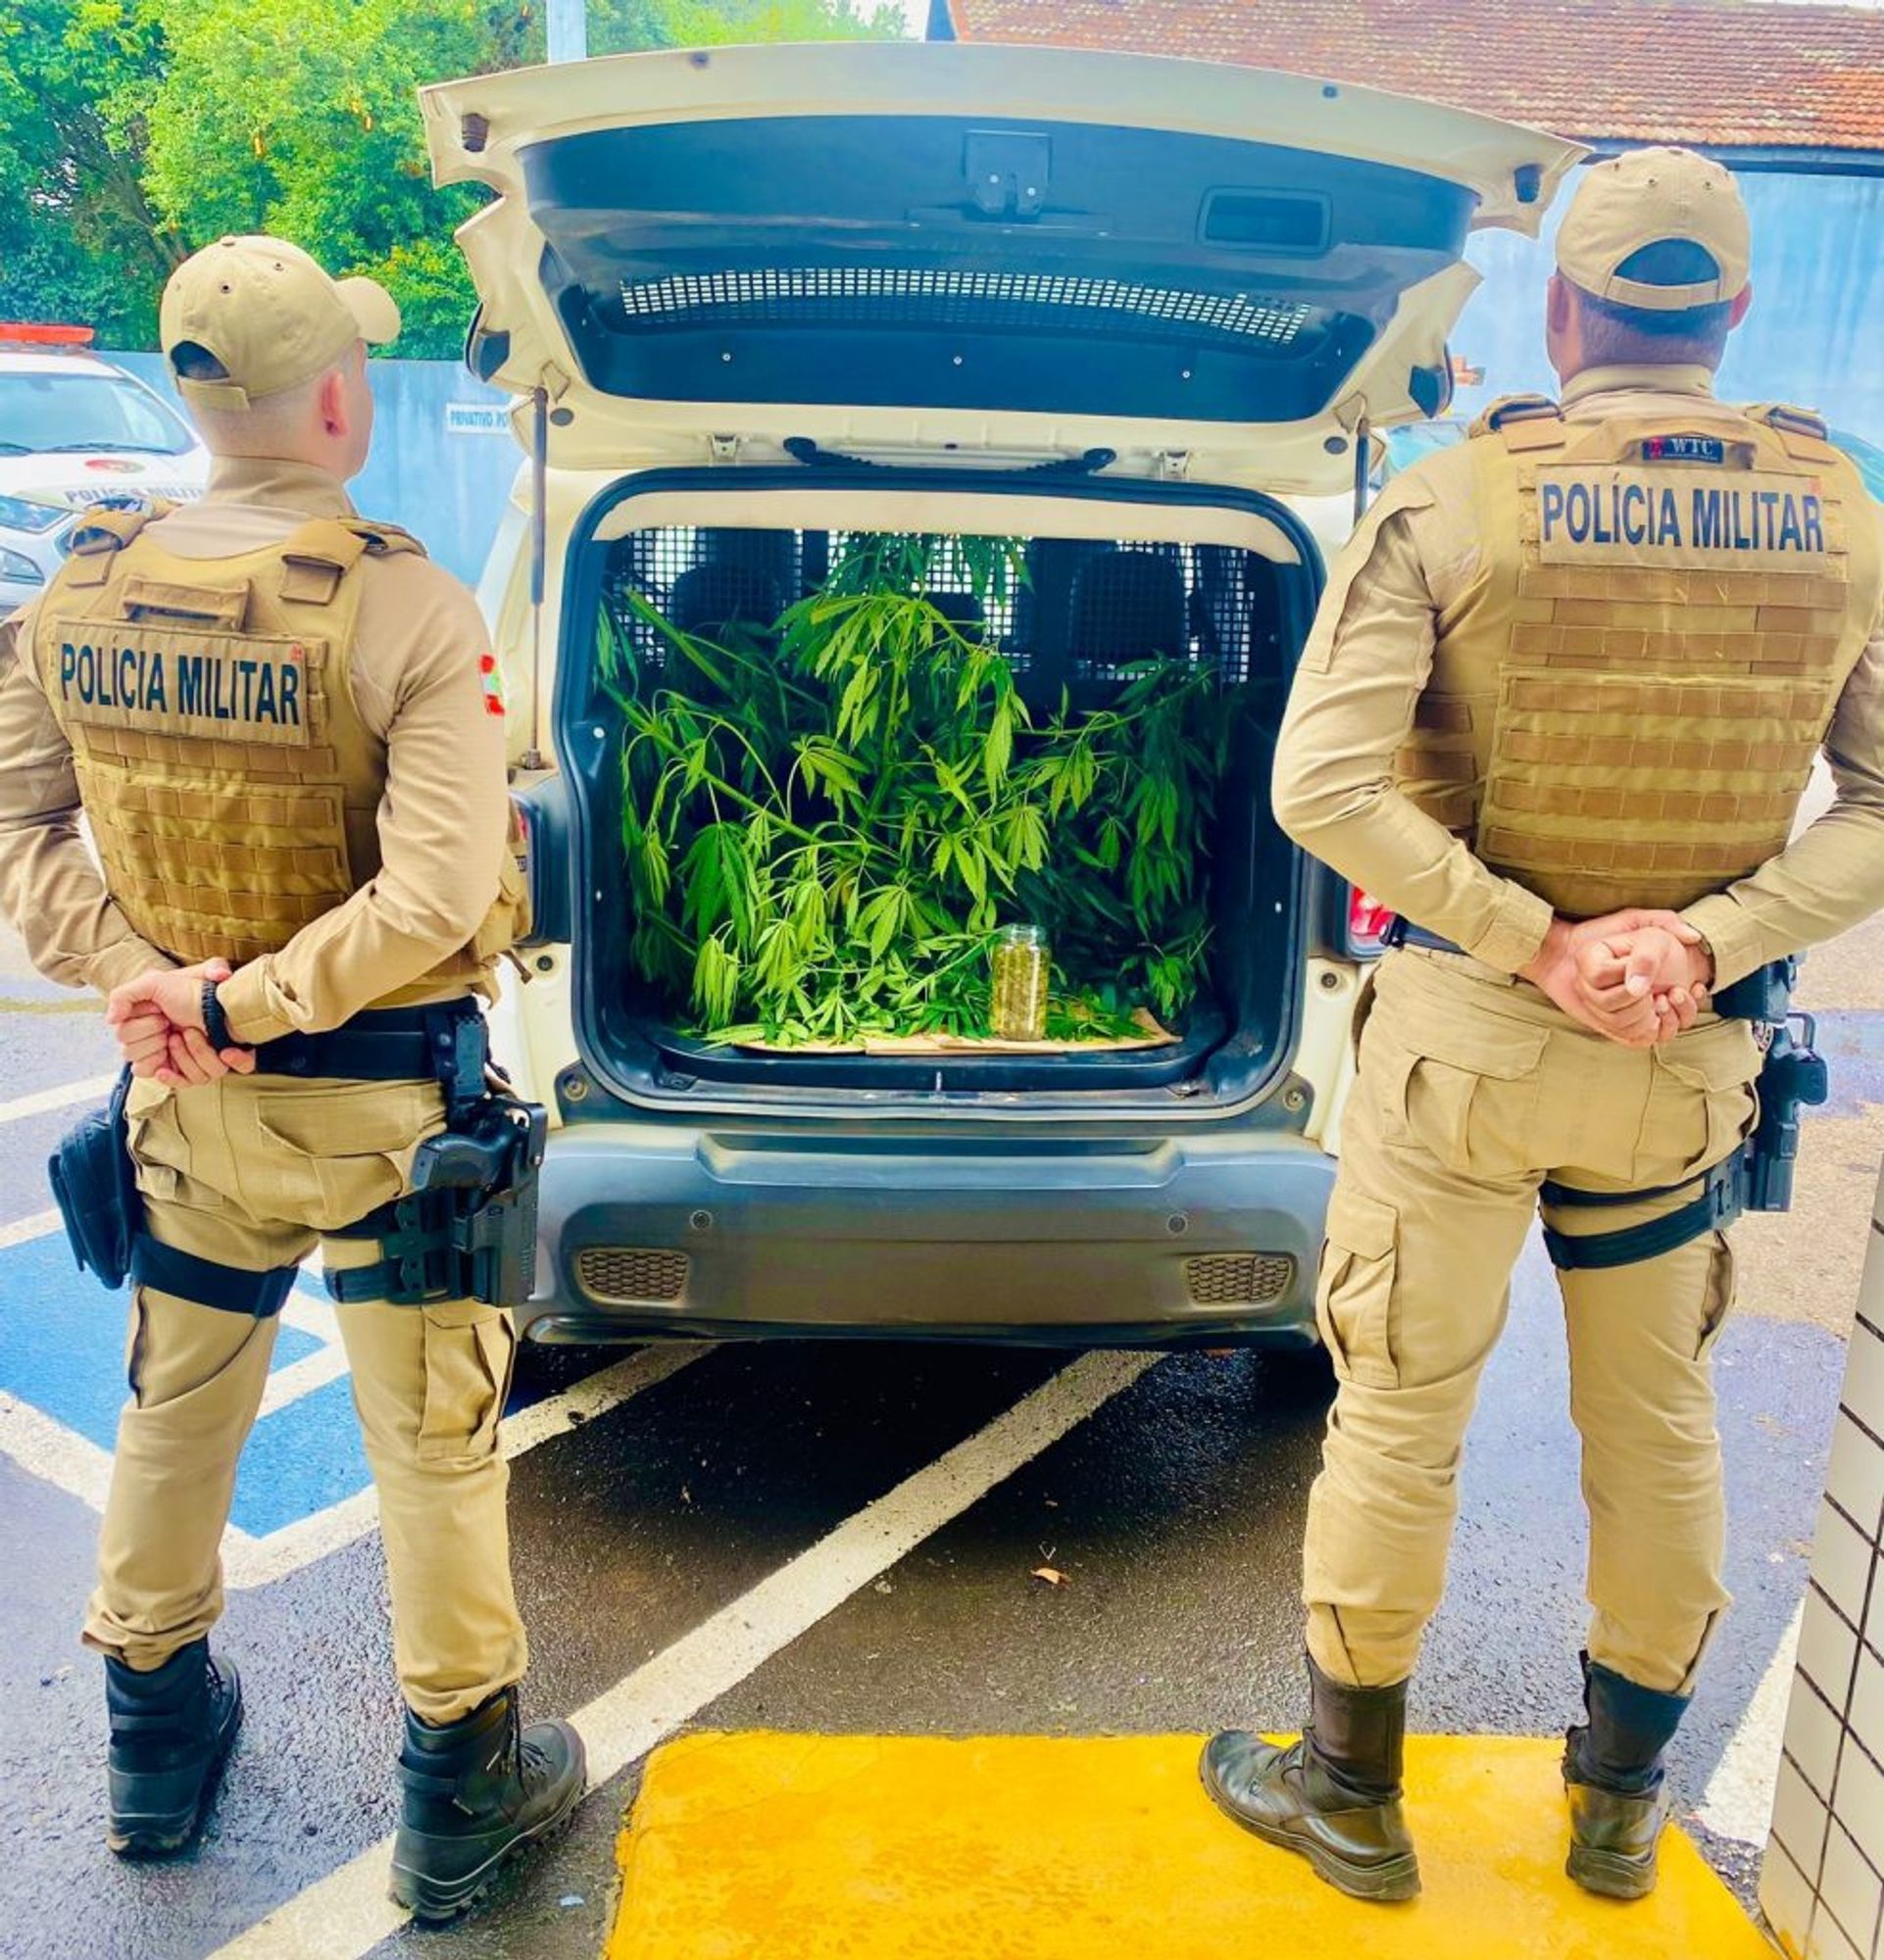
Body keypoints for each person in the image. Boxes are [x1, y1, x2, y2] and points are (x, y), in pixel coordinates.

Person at [1201, 149, 1884, 1904]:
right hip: (1680, 1068)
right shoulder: (1846, 516)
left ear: (1563, 310)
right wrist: (1702, 939)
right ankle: (1619, 1808)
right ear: (1727, 315)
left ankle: (1346, 1801)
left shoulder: (1454, 503)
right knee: (1654, 1425)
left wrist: (1532, 938)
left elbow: (1322, 787)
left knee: (1397, 1411)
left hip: (1464, 1052)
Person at [0, 235, 583, 1921]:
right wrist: (247, 1001)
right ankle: (460, 1788)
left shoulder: (77, 589)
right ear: (338, 395)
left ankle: (153, 1743)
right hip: (386, 1118)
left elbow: (28, 832)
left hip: (185, 1105)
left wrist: (150, 991)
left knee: (174, 1418)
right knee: (432, 1445)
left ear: (194, 397)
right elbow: (430, 894)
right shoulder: (402, 600)